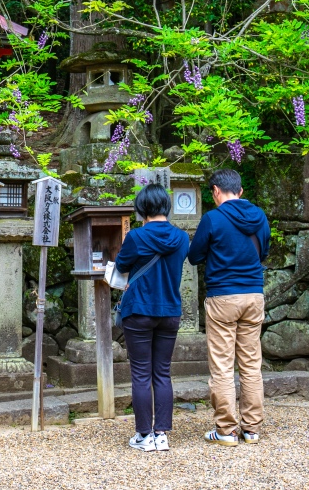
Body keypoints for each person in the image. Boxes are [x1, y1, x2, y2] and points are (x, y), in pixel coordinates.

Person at [187, 168, 270, 447]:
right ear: (241, 191)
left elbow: (195, 255)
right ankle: (253, 428)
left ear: (216, 191)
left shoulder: (213, 218)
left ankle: (226, 430)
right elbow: (264, 252)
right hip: (253, 295)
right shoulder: (259, 218)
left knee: (222, 366)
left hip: (223, 296)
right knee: (250, 365)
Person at [114, 183, 190, 452]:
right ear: (167, 207)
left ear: (142, 209)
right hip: (170, 310)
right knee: (162, 373)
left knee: (141, 374)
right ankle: (162, 435)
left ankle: (144, 435)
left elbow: (122, 265)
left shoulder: (136, 237)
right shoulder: (182, 238)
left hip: (139, 311)